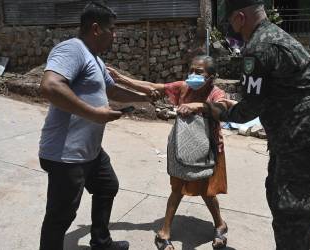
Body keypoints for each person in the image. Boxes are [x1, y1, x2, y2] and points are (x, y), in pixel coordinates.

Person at [206, 1, 310, 249]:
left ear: (240, 18)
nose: (229, 29)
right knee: (282, 197)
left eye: (229, 22)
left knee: (293, 211)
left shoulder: (258, 47)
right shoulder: (276, 36)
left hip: (301, 138)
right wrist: (234, 106)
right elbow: (269, 93)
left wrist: (219, 112)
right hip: (302, 134)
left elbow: (250, 108)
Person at [38, 2, 149, 250]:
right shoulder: (72, 49)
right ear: (96, 29)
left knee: (107, 185)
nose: (115, 35)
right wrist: (94, 114)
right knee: (61, 216)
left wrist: (144, 97)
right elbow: (50, 86)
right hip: (66, 155)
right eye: (112, 29)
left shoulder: (95, 60)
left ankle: (101, 242)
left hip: (89, 151)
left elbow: (111, 88)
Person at [108, 56, 229, 250]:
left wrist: (198, 105)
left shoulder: (216, 93)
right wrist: (121, 79)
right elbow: (153, 86)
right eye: (190, 71)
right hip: (181, 147)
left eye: (199, 72)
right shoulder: (183, 88)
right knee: (177, 188)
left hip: (209, 150)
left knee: (208, 191)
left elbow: (223, 107)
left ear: (211, 77)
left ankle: (220, 224)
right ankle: (164, 231)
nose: (192, 75)